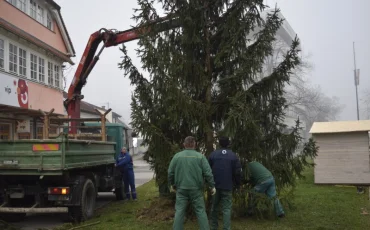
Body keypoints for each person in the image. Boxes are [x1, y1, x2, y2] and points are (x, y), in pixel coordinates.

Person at [168, 136, 216, 230]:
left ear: (184, 144)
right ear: (195, 144)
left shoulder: (177, 156)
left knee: (179, 211)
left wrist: (171, 184)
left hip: (181, 188)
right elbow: (208, 173)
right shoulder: (200, 157)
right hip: (196, 189)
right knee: (200, 211)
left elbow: (170, 172)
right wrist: (212, 186)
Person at [209, 136, 242, 230]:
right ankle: (226, 228)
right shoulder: (233, 155)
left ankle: (213, 227)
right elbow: (238, 172)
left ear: (219, 143)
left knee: (214, 207)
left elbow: (208, 170)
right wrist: (238, 184)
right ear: (228, 144)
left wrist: (209, 183)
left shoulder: (213, 154)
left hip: (215, 185)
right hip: (227, 185)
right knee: (226, 209)